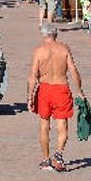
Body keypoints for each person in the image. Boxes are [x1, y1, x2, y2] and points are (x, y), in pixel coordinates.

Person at [28, 24, 85, 172]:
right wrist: (79, 90)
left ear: (43, 35)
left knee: (44, 124)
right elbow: (73, 70)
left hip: (45, 89)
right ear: (56, 34)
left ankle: (46, 160)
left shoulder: (39, 51)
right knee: (62, 125)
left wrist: (29, 97)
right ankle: (58, 154)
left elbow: (33, 76)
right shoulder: (64, 49)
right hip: (61, 88)